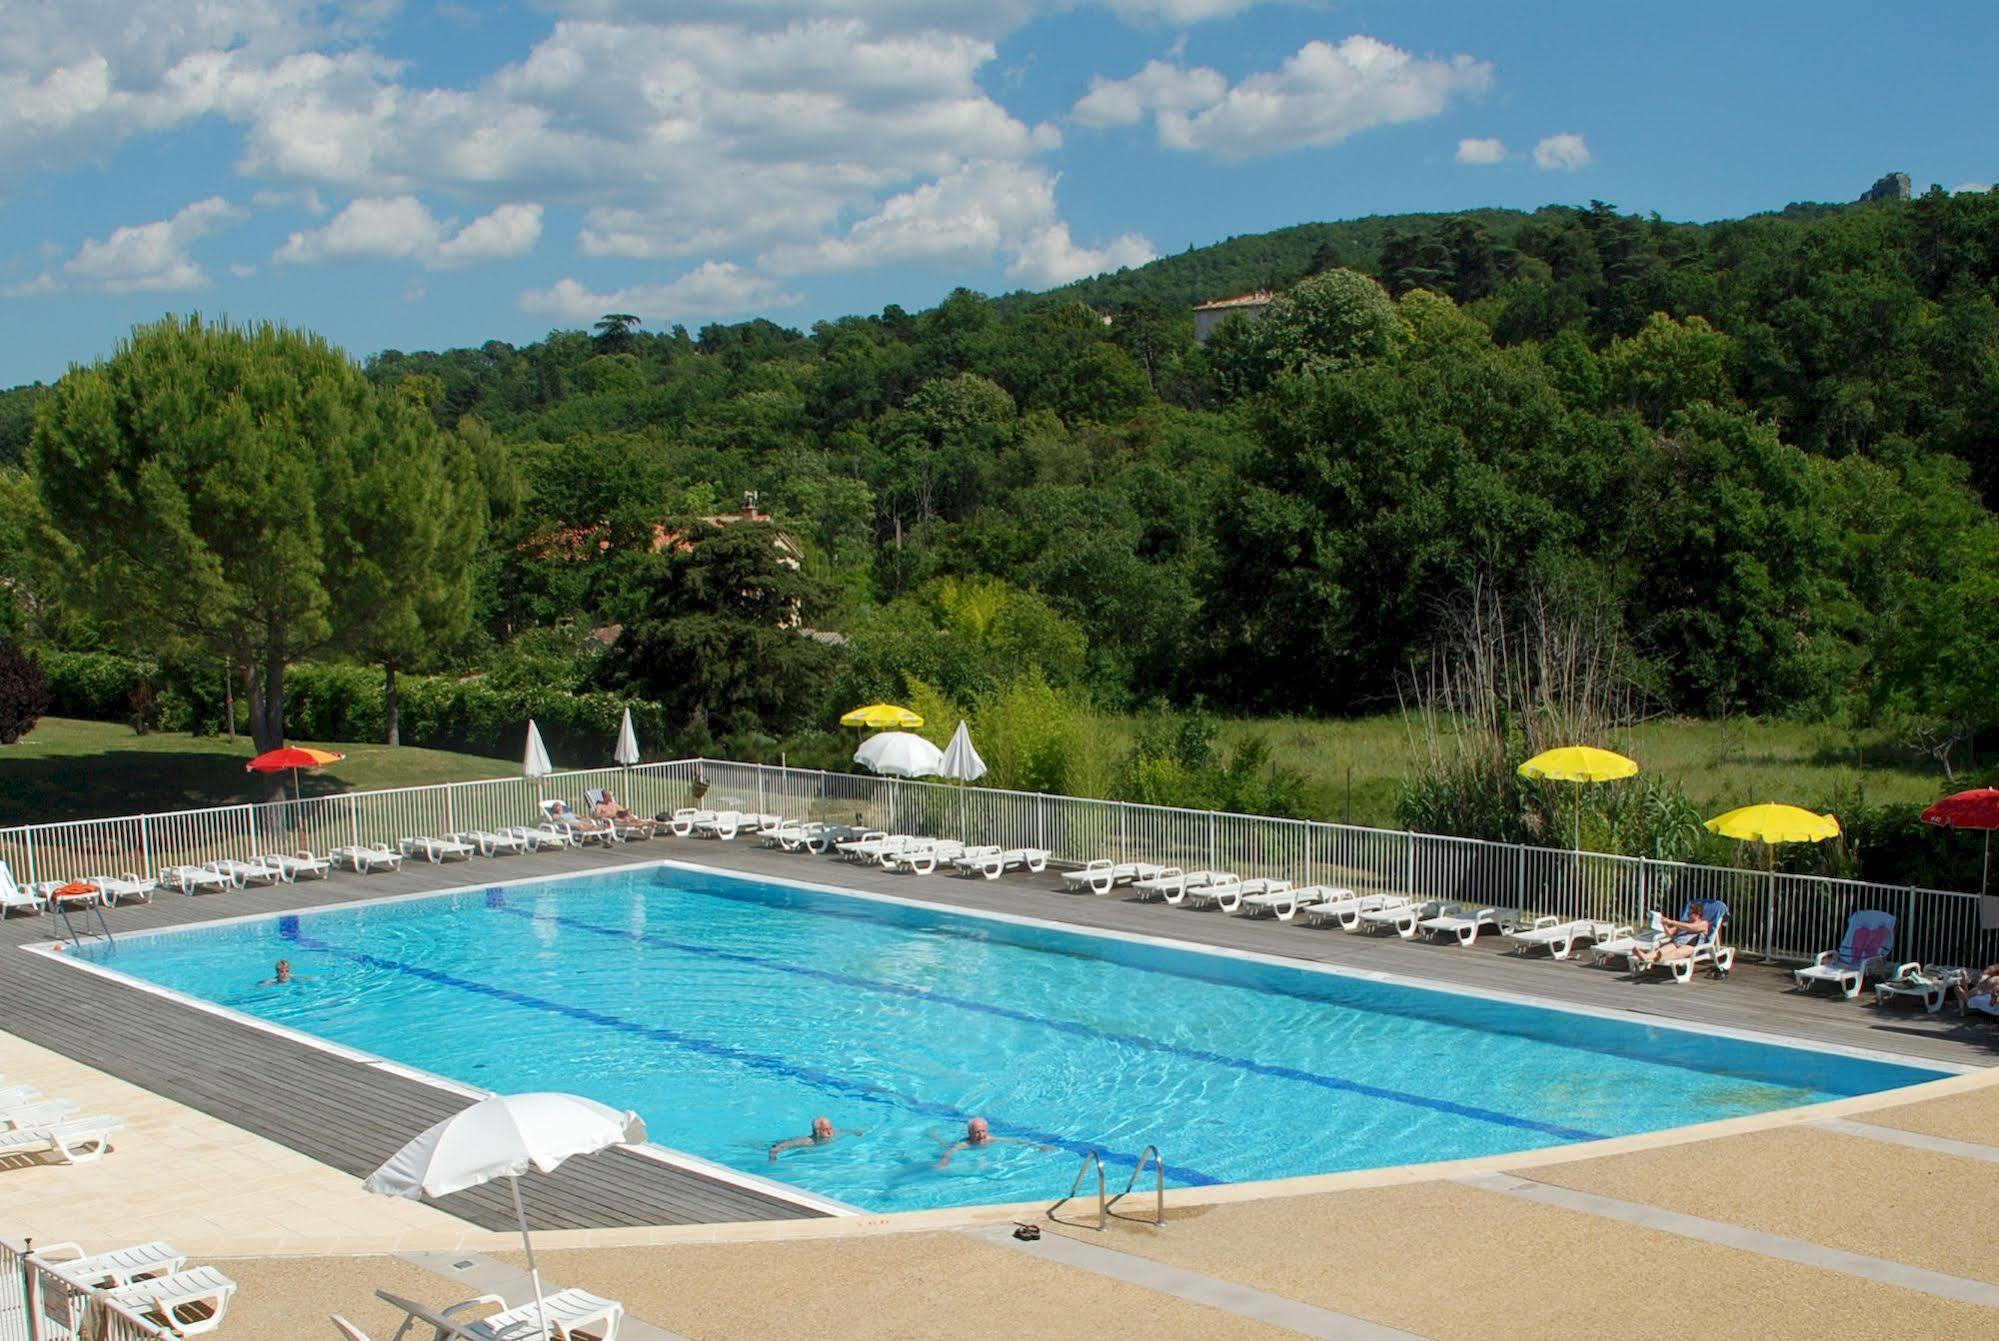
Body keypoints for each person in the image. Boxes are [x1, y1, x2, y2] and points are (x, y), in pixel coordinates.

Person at [935, 1117, 1055, 1169]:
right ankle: (934, 1135)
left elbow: (1016, 1141)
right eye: (977, 1132)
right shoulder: (966, 1144)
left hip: (979, 1153)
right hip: (962, 1148)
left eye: (983, 1131)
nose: (981, 1135)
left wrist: (1039, 1146)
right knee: (945, 1144)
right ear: (970, 1133)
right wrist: (943, 1164)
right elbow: (950, 1152)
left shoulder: (990, 1139)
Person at [1629, 903, 1710, 968]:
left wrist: (1672, 922)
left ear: (1698, 914)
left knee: (1674, 953)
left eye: (1690, 913)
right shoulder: (1684, 923)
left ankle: (1652, 960)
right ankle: (1645, 957)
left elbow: (1691, 928)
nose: (1688, 914)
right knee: (1660, 951)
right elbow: (1670, 933)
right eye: (1688, 912)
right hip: (1676, 943)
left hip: (1691, 946)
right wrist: (1664, 924)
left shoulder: (1704, 923)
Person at [769, 1115, 861, 1160]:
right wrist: (773, 1156)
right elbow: (776, 1148)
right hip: (777, 1143)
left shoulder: (834, 1133)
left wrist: (856, 1132)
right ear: (817, 1132)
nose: (830, 1132)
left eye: (830, 1128)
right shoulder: (806, 1142)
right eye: (825, 1130)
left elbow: (848, 1131)